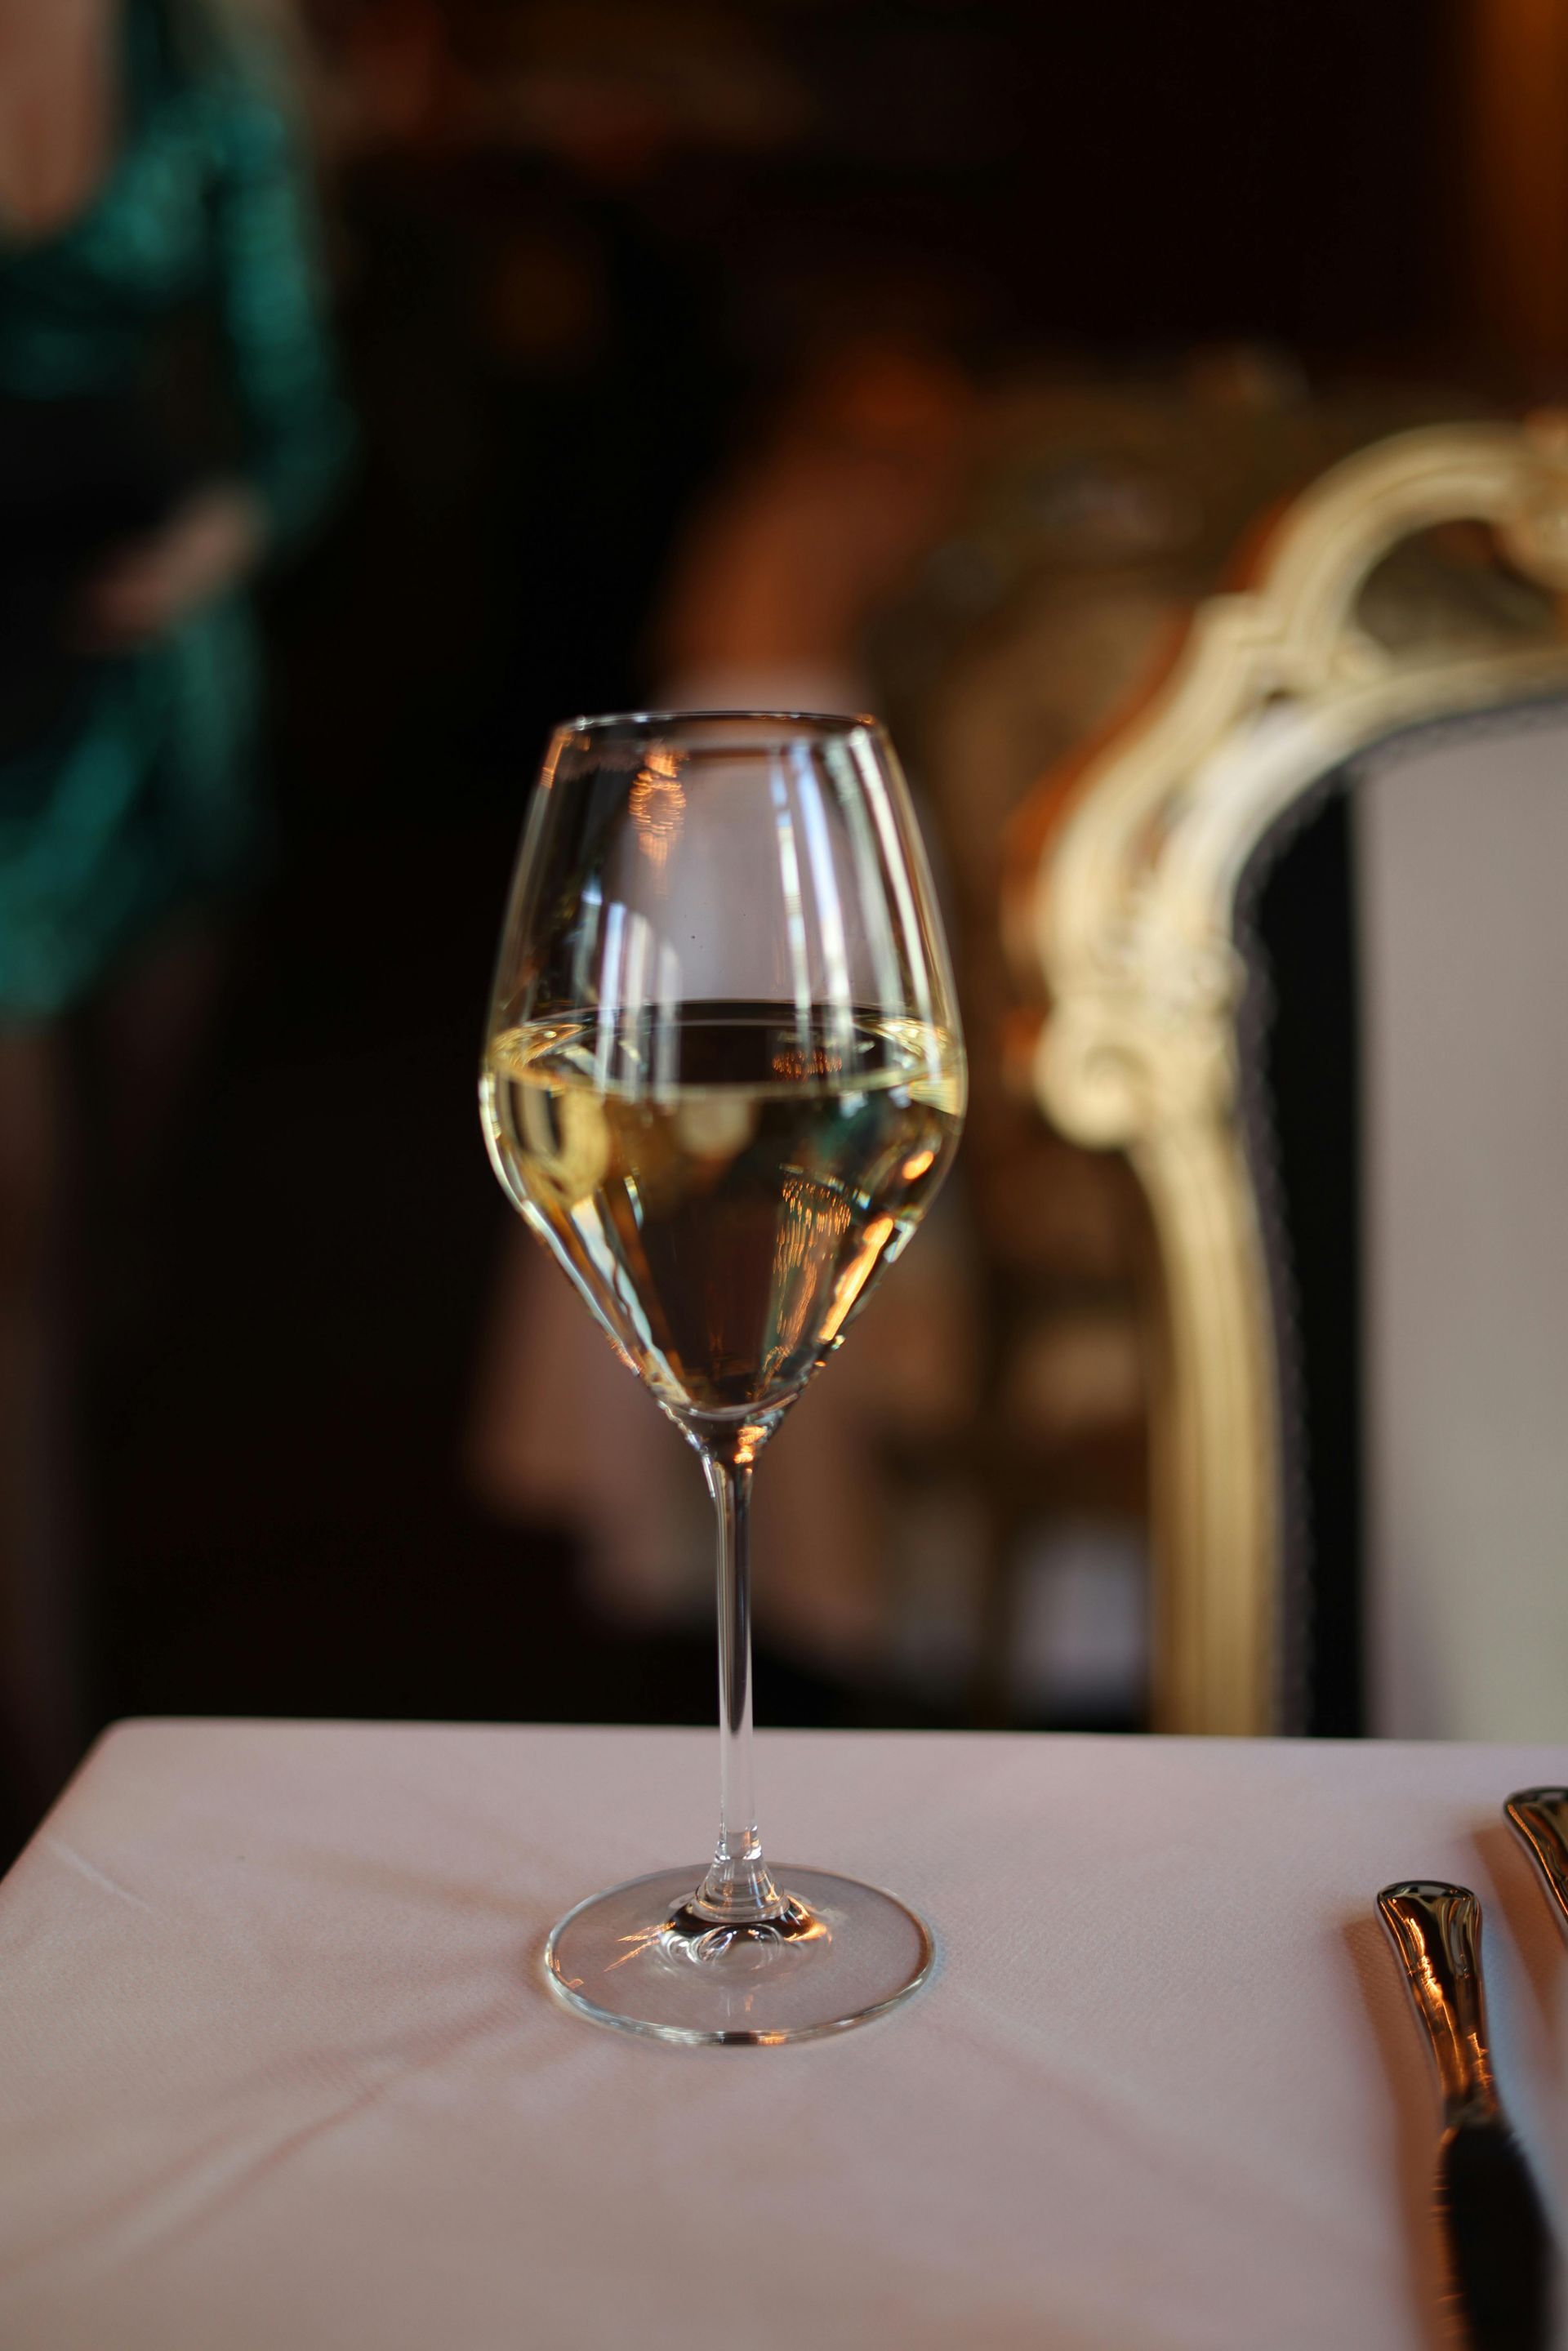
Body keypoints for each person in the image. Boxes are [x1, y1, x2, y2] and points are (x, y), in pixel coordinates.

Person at [0, 0, 350, 1828]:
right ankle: (43, 1751)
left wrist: (194, 551)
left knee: (109, 1243)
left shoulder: (199, 63)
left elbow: (297, 428)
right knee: (17, 1251)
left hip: (136, 694)